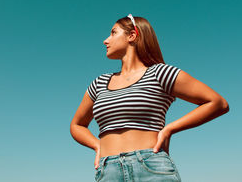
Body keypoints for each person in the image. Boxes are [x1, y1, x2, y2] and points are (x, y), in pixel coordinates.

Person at [70, 14, 230, 181]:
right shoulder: (99, 83)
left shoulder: (160, 73)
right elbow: (77, 125)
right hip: (108, 170)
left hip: (151, 166)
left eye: (113, 33)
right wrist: (97, 145)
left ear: (131, 36)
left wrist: (169, 129)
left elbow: (217, 103)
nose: (105, 40)